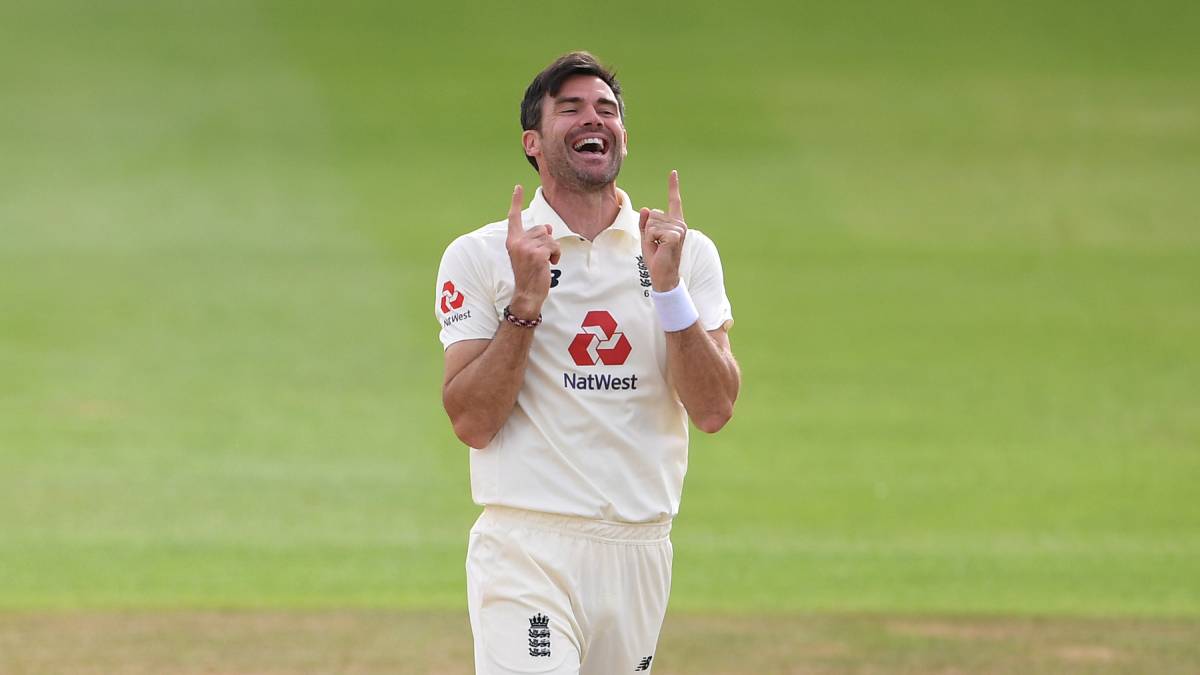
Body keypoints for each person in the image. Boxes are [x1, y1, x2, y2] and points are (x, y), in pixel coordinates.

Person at [434, 51, 740, 675]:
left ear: (622, 137)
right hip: (528, 545)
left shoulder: (682, 253)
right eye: (568, 108)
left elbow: (713, 410)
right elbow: (471, 421)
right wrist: (524, 301)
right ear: (533, 143)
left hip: (640, 547)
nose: (590, 118)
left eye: (605, 109)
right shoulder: (484, 255)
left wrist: (670, 293)